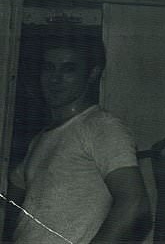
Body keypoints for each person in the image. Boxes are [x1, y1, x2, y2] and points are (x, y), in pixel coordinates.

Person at [5, 33, 151, 244]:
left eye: (68, 69)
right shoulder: (40, 139)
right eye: (48, 68)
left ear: (92, 74)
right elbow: (15, 197)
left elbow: (135, 205)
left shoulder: (101, 126)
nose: (55, 79)